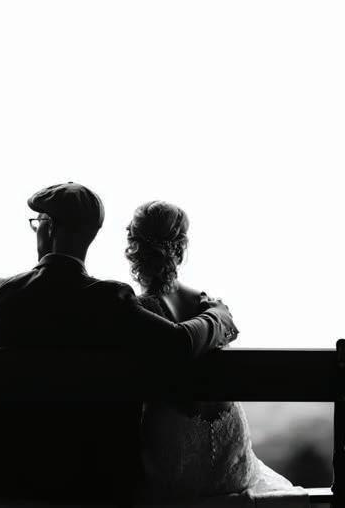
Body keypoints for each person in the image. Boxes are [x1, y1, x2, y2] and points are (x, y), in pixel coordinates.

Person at [0, 182, 237, 500]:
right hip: (88, 480)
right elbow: (179, 344)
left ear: (49, 228)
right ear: (90, 236)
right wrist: (218, 316)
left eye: (38, 223)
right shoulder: (110, 300)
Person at [126, 200, 298, 499]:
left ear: (134, 248)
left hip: (175, 454)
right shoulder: (208, 305)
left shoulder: (139, 312)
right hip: (230, 447)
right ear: (181, 248)